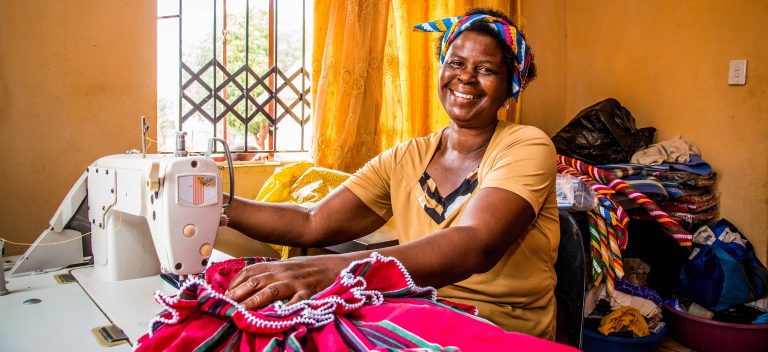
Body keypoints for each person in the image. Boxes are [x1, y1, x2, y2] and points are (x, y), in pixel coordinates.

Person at [223, 7, 560, 340]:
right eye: (456, 62)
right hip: (418, 315)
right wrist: (219, 206)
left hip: (497, 330)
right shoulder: (405, 157)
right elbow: (312, 222)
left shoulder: (526, 146)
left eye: (485, 69)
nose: (466, 77)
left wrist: (331, 271)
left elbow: (476, 243)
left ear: (511, 86)